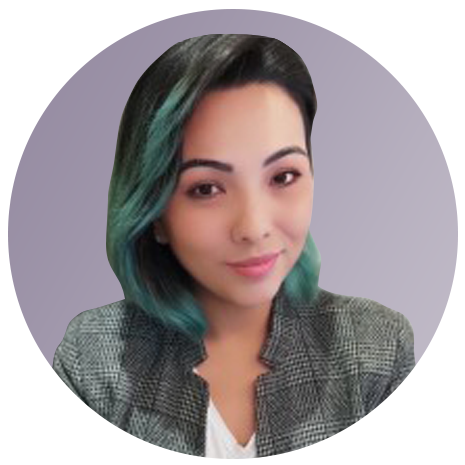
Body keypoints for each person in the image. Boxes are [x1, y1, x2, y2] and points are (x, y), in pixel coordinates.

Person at [40, 34, 440, 459]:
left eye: (283, 177)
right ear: (154, 213)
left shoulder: (376, 345)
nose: (254, 227)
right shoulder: (93, 353)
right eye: (206, 188)